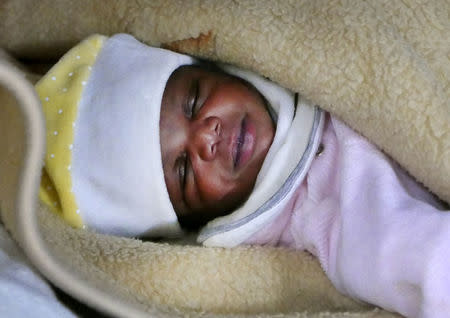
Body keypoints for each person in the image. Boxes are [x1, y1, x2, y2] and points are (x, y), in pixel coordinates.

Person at [37, 33, 450, 317]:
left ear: (214, 68)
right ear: (192, 222)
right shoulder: (331, 218)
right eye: (183, 169)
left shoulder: (306, 69)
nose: (205, 136)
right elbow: (430, 266)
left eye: (195, 99)